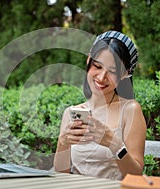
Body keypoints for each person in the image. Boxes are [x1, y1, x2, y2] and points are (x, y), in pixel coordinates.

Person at [53, 31, 147, 180]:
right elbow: (61, 174)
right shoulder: (71, 113)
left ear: (125, 74)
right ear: (89, 61)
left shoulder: (130, 110)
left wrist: (113, 143)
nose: (102, 77)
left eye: (112, 72)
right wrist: (63, 142)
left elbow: (136, 175)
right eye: (97, 66)